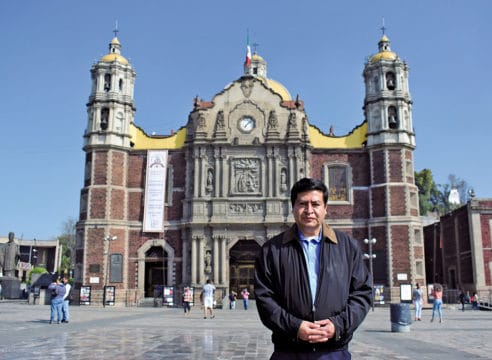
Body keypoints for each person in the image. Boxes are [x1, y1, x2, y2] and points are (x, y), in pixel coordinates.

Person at [254, 177, 372, 358]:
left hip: (334, 351)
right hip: (288, 351)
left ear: (325, 208)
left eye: (315, 204)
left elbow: (362, 293)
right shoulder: (272, 250)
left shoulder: (347, 247)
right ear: (293, 207)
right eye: (302, 204)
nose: (309, 210)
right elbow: (265, 299)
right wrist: (295, 327)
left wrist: (337, 325)